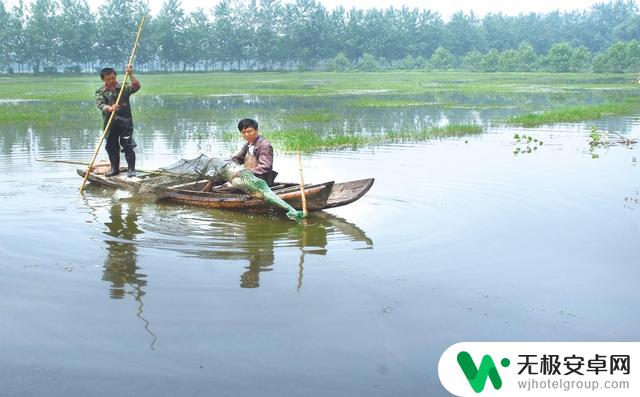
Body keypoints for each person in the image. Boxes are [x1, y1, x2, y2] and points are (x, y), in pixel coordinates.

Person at [95, 65, 141, 177]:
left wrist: (130, 74)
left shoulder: (123, 87)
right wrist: (110, 108)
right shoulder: (100, 91)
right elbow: (100, 105)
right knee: (111, 147)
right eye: (108, 79)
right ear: (103, 79)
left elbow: (136, 86)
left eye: (113, 78)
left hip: (125, 123)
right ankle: (114, 169)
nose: (111, 81)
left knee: (128, 145)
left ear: (115, 76)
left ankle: (131, 170)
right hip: (110, 124)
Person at [231, 118, 278, 185]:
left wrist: (245, 172)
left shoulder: (264, 145)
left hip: (261, 182)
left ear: (257, 130)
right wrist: (227, 165)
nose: (247, 134)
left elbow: (265, 167)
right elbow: (237, 159)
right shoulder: (248, 144)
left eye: (249, 131)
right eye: (243, 132)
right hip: (250, 179)